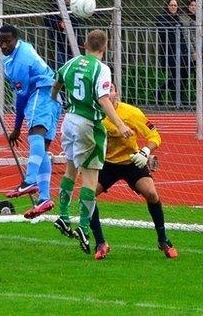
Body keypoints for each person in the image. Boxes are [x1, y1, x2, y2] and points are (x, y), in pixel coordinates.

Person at [51, 29, 133, 254]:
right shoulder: (102, 69)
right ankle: (84, 228)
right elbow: (103, 99)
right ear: (104, 48)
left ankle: (64, 216)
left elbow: (56, 84)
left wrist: (58, 101)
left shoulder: (72, 62)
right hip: (89, 123)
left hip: (68, 120)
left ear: (85, 44)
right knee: (90, 178)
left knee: (70, 169)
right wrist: (120, 124)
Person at [86, 82, 177, 260]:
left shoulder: (131, 112)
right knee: (87, 196)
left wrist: (145, 152)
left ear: (116, 93)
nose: (108, 94)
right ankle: (100, 243)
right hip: (106, 164)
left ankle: (163, 239)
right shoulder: (93, 114)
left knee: (151, 193)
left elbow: (154, 136)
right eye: (104, 91)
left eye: (110, 90)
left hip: (132, 162)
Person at [0, 25, 63, 219]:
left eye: (8, 41)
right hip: (53, 98)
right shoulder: (17, 54)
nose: (4, 45)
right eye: (1, 41)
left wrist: (16, 128)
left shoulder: (20, 62)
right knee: (41, 148)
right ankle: (44, 197)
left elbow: (21, 98)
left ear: (17, 40)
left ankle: (30, 180)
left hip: (41, 94)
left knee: (35, 134)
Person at [156, 0, 190, 106]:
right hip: (170, 51)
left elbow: (182, 35)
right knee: (176, 75)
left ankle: (178, 97)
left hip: (182, 51)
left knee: (184, 74)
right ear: (167, 6)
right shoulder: (161, 18)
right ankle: (168, 95)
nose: (173, 7)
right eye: (171, 5)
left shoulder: (178, 19)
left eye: (175, 5)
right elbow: (163, 31)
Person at [43, 0, 83, 70]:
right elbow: (47, 20)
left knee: (74, 67)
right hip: (59, 43)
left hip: (73, 43)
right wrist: (59, 24)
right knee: (62, 67)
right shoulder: (53, 8)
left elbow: (78, 22)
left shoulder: (75, 7)